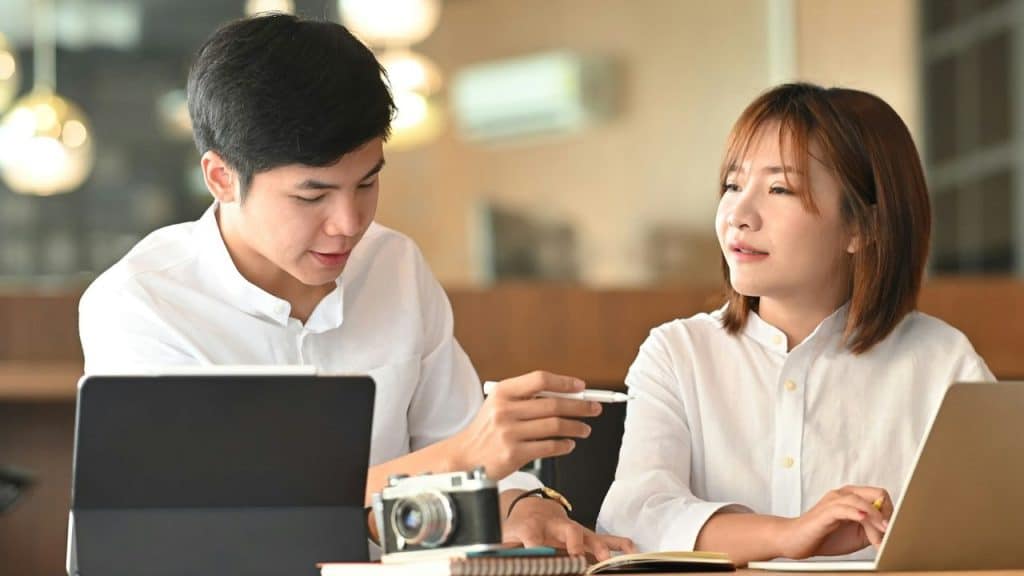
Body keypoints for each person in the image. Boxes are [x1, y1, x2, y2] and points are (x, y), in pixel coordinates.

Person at [78, 13, 632, 559]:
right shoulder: (139, 305)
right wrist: (462, 456)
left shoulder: (394, 266)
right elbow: (223, 511)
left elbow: (469, 450)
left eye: (367, 182)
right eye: (311, 196)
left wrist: (521, 507)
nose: (348, 222)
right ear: (222, 177)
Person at [596, 83, 994, 565]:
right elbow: (636, 519)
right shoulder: (678, 353)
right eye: (733, 185)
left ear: (861, 228)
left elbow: (994, 527)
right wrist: (789, 535)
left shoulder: (942, 362)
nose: (739, 215)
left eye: (779, 188)